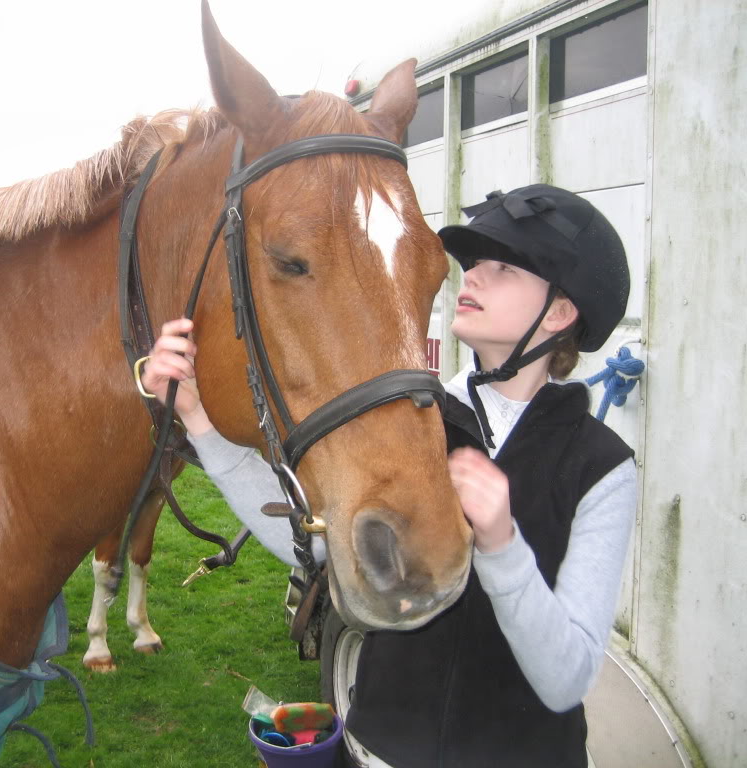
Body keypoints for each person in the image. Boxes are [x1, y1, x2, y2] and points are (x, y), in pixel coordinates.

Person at [138, 184, 636, 768]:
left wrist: (502, 546)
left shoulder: (603, 467)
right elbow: (318, 548)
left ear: (557, 313)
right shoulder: (414, 416)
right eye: (472, 264)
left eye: (501, 268)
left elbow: (566, 680)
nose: (469, 277)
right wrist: (198, 418)